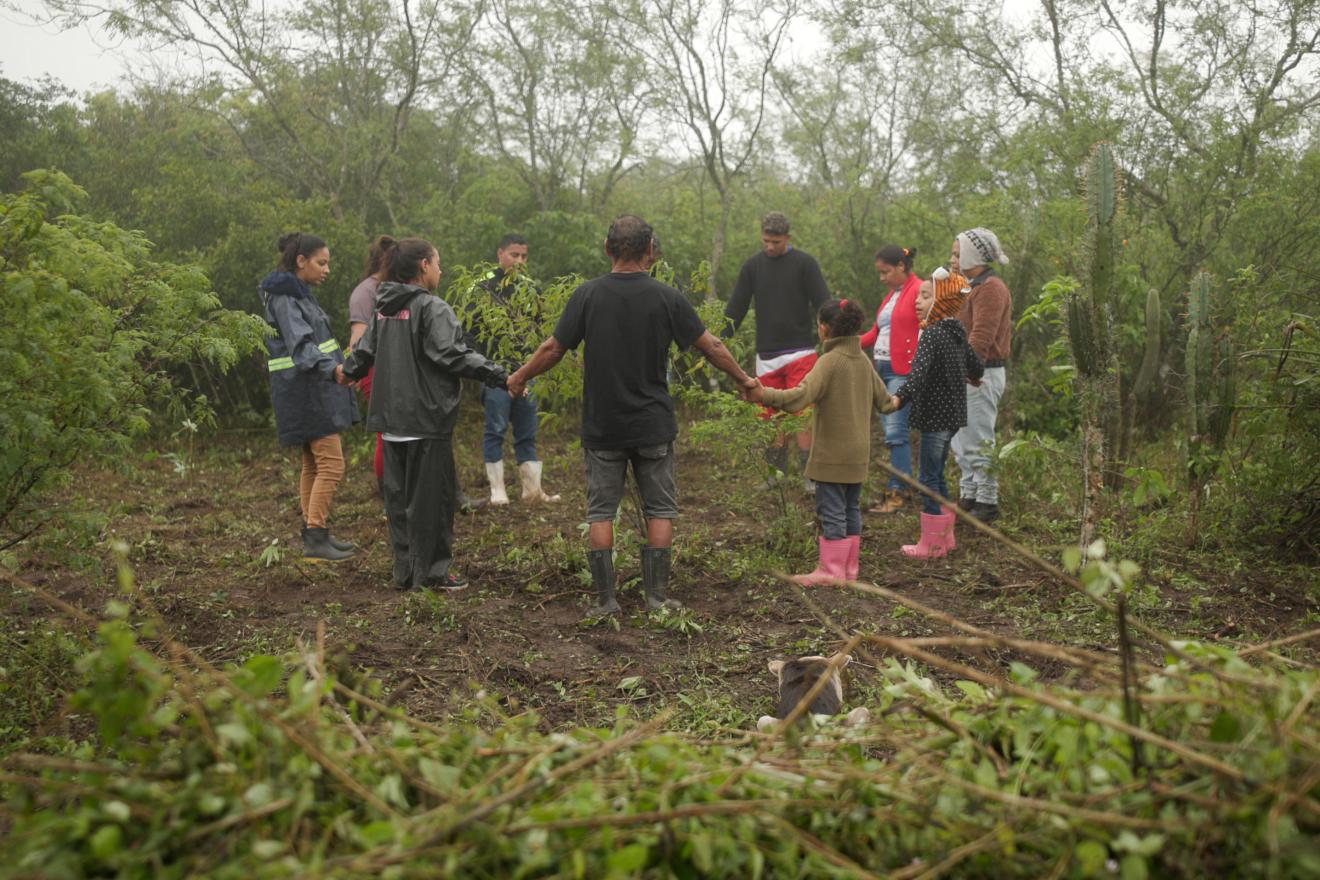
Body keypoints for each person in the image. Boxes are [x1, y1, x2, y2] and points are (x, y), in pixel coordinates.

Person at [508, 215, 758, 617]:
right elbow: (710, 345)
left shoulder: (587, 296)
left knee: (600, 511)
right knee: (660, 508)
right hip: (652, 425)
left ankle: (605, 601)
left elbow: (553, 348)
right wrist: (744, 380)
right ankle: (657, 598)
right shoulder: (667, 297)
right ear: (651, 253)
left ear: (607, 249)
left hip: (603, 425)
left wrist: (519, 376)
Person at [338, 238, 510, 591]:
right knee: (433, 503)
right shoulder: (433, 308)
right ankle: (433, 575)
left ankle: (405, 573)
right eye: (438, 262)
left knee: (399, 503)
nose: (441, 270)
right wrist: (501, 375)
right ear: (423, 267)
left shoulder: (383, 308)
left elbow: (362, 351)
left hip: (390, 422)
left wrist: (345, 370)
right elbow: (453, 355)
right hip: (426, 421)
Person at [748, 299, 898, 584]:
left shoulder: (828, 362)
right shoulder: (863, 361)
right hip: (858, 453)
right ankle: (849, 570)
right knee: (850, 508)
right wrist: (906, 393)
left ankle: (830, 571)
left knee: (830, 511)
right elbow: (886, 403)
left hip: (832, 452)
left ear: (824, 329)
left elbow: (798, 398)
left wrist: (763, 394)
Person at [259, 232, 360, 561]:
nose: (326, 269)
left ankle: (314, 534)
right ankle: (315, 536)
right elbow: (302, 347)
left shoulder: (297, 293)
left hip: (306, 388)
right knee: (331, 464)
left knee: (313, 464)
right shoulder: (286, 297)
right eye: (321, 262)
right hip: (307, 390)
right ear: (300, 261)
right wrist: (333, 371)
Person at [723, 211, 831, 492]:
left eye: (776, 242)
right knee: (770, 415)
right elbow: (737, 306)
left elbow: (823, 301)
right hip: (767, 355)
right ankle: (775, 474)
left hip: (801, 352)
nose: (770, 247)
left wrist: (834, 333)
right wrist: (718, 339)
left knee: (802, 413)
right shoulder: (752, 267)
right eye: (766, 241)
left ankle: (810, 474)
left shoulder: (805, 264)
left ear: (788, 238)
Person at [890, 269, 985, 557]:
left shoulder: (931, 334)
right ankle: (946, 538)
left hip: (935, 417)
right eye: (918, 295)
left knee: (928, 480)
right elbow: (977, 368)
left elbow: (917, 376)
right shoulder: (957, 333)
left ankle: (931, 544)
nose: (918, 300)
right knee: (939, 476)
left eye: (926, 296)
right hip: (953, 418)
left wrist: (898, 398)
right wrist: (969, 375)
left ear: (942, 300)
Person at [464, 234, 559, 506]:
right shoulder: (481, 288)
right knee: (495, 428)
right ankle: (498, 491)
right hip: (494, 373)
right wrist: (479, 370)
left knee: (527, 429)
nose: (519, 261)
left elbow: (544, 331)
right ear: (500, 254)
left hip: (527, 371)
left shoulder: (530, 288)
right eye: (514, 255)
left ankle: (532, 490)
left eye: (524, 256)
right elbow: (469, 333)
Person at [949, 228, 1012, 523]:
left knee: (979, 437)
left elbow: (981, 335)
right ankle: (970, 492)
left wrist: (969, 370)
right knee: (963, 439)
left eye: (957, 254)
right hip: (966, 372)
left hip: (981, 372)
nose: (952, 259)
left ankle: (988, 500)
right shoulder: (969, 286)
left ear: (973, 255)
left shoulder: (991, 287)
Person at [859, 244, 923, 514]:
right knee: (890, 432)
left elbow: (927, 325)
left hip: (902, 371)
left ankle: (898, 492)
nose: (882, 278)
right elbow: (876, 332)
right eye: (879, 273)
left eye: (885, 272)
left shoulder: (919, 289)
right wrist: (845, 342)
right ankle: (901, 487)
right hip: (882, 370)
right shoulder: (891, 296)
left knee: (896, 432)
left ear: (901, 266)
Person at [347, 234, 395, 491]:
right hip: (374, 369)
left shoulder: (393, 286)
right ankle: (387, 491)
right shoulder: (365, 292)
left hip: (393, 369)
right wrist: (356, 370)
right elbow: (358, 337)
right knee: (385, 434)